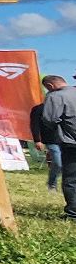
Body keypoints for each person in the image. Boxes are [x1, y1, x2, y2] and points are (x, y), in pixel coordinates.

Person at [40, 75, 76, 220]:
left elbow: (49, 118)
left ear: (50, 85)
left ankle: (73, 213)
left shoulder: (55, 96)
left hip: (71, 142)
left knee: (71, 179)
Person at [33, 78, 63, 191]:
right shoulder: (38, 109)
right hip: (50, 140)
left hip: (65, 139)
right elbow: (34, 125)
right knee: (58, 162)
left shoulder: (62, 108)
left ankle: (66, 185)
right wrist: (37, 140)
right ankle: (52, 184)